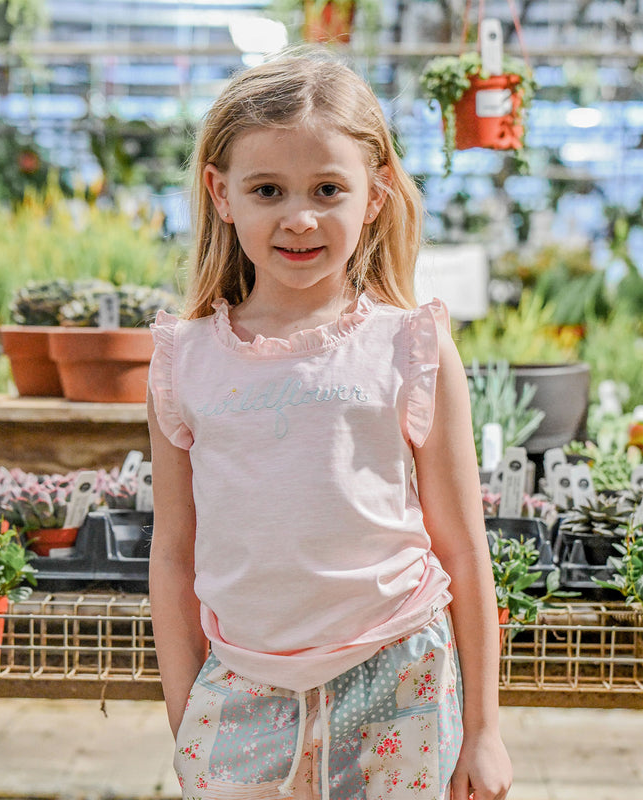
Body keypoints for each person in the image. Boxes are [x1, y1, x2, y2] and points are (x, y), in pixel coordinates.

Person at [147, 49, 512, 800]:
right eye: (268, 189)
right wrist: (187, 720)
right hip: (240, 686)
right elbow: (173, 557)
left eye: (328, 189)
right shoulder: (184, 359)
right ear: (222, 194)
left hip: (398, 673)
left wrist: (483, 731)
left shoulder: (411, 345)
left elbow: (465, 547)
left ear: (374, 196)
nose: (300, 216)